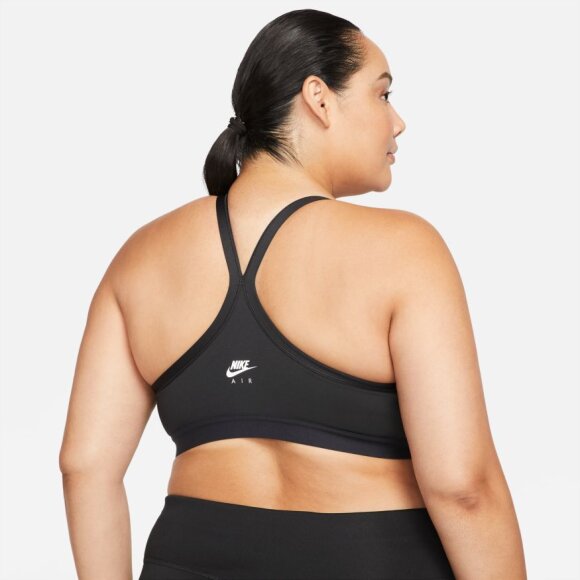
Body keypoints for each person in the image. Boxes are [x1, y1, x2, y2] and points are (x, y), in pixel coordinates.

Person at [59, 8, 527, 580]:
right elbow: (463, 487)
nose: (398, 121)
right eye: (382, 94)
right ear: (319, 99)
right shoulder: (404, 249)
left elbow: (85, 466)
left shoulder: (140, 256)